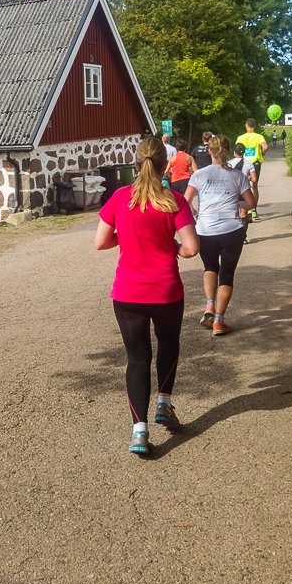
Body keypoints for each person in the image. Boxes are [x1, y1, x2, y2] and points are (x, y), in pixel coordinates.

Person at [96, 137, 199, 455]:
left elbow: (101, 242)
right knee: (168, 344)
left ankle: (139, 431)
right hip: (166, 290)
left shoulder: (119, 198)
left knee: (137, 358)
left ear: (136, 165)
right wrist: (172, 246)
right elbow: (191, 249)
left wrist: (126, 239)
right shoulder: (175, 201)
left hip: (127, 293)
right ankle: (164, 404)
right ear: (165, 166)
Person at [184, 135, 256, 336]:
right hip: (232, 230)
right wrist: (237, 204)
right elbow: (251, 204)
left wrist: (197, 215)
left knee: (209, 267)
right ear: (228, 150)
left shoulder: (199, 175)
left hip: (205, 230)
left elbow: (185, 201)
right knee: (227, 274)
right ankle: (219, 321)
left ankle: (209, 305)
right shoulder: (238, 176)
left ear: (209, 151)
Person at [235, 118, 267, 218]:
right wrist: (263, 153)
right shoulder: (259, 136)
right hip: (255, 163)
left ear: (246, 125)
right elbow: (265, 147)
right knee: (254, 186)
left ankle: (242, 209)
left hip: (243, 163)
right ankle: (253, 210)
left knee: (242, 187)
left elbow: (236, 151)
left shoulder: (240, 138)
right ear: (255, 126)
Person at [229, 142, 258, 242]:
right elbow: (254, 179)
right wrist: (247, 177)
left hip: (232, 191)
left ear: (234, 152)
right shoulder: (249, 164)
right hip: (244, 191)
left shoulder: (229, 163)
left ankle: (233, 236)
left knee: (234, 214)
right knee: (244, 214)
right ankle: (243, 236)